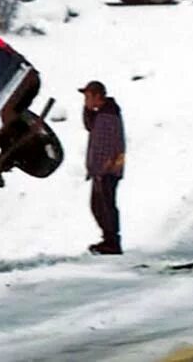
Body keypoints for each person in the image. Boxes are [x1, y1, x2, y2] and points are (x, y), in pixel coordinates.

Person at [80, 80, 125, 255]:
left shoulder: (107, 117)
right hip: (106, 170)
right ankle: (109, 239)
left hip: (107, 170)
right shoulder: (103, 114)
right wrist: (87, 110)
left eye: (88, 97)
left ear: (98, 96)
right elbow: (89, 126)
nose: (86, 100)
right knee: (100, 205)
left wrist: (99, 171)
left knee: (105, 205)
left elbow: (105, 147)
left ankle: (112, 242)